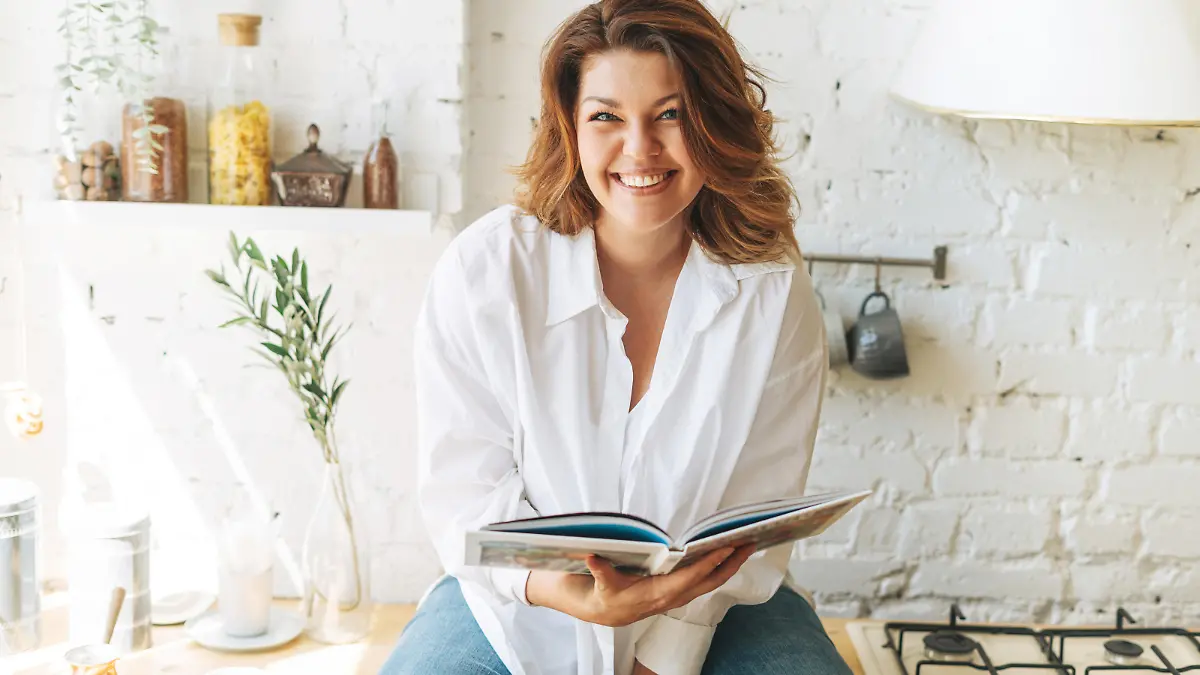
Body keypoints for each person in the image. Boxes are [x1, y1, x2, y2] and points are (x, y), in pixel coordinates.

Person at [381, 1, 852, 674]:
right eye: (606, 116)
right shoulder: (485, 272)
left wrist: (661, 656)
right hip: (518, 601)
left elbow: (759, 508)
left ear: (713, 121)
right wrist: (569, 593)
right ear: (569, 126)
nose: (641, 149)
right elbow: (465, 494)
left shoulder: (772, 289)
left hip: (715, 597)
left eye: (671, 114)